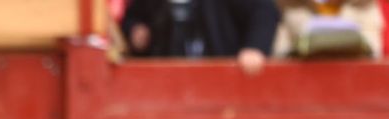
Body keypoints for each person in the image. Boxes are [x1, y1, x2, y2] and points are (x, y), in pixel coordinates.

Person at [120, 0, 280, 74]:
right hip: (165, 77)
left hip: (220, 78)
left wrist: (255, 47)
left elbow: (264, 11)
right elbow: (133, 16)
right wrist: (135, 29)